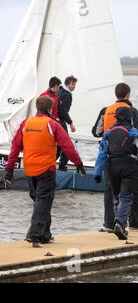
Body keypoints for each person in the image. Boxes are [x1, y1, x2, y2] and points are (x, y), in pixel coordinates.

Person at [3, 96, 86, 248]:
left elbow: (15, 147)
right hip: (46, 169)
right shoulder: (53, 125)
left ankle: (45, 234)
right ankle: (34, 235)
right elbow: (68, 146)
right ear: (50, 109)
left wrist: (9, 169)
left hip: (29, 169)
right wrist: (79, 164)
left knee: (40, 201)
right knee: (43, 201)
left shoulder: (25, 123)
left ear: (37, 107)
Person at [93, 107, 138, 240]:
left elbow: (101, 154)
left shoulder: (108, 133)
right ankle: (120, 223)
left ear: (116, 118)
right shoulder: (133, 132)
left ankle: (120, 223)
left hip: (111, 167)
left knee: (116, 196)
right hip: (128, 166)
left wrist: (97, 173)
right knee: (126, 197)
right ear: (130, 118)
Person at [92, 83, 138, 232]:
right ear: (128, 94)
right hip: (129, 159)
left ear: (116, 95)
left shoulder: (106, 110)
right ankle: (137, 223)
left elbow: (96, 132)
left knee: (111, 190)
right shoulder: (132, 111)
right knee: (132, 190)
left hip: (109, 158)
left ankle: (109, 224)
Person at [56, 75, 78, 171]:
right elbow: (63, 111)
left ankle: (50, 163)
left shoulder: (59, 90)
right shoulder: (67, 95)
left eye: (75, 84)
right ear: (67, 84)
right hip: (60, 121)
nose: (74, 86)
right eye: (72, 84)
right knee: (66, 144)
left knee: (58, 144)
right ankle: (62, 166)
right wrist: (71, 123)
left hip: (54, 120)